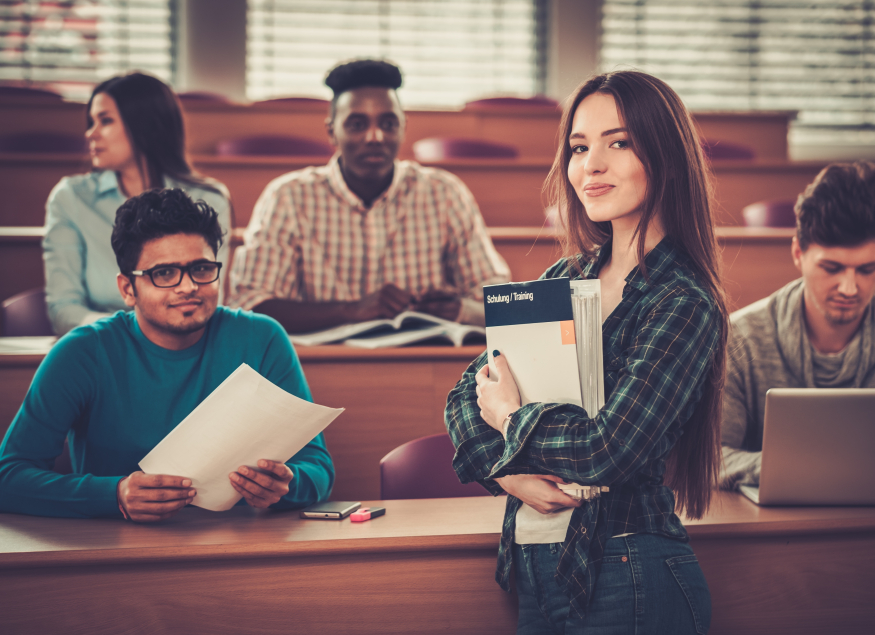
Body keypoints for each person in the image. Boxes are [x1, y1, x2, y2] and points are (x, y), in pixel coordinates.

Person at [445, 71, 728, 634]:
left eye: (618, 143)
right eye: (579, 147)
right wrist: (508, 477)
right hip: (537, 564)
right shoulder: (564, 277)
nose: (590, 165)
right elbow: (462, 400)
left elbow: (609, 450)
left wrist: (509, 419)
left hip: (633, 570)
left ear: (666, 156)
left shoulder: (685, 302)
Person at [0, 189, 332, 521]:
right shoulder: (82, 352)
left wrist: (287, 485)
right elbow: (8, 475)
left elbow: (318, 469)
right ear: (128, 289)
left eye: (201, 268)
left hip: (240, 545)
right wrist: (113, 495)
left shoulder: (262, 337)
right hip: (118, 549)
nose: (188, 287)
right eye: (165, 273)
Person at [228, 59, 510, 332]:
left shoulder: (445, 193)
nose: (374, 137)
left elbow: (499, 297)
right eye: (357, 124)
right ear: (331, 131)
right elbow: (251, 303)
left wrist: (459, 308)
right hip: (321, 369)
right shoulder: (288, 197)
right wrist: (352, 310)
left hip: (424, 365)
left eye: (388, 124)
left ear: (403, 127)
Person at [721, 162, 875, 490]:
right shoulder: (740, 339)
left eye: (867, 269)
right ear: (797, 253)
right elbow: (711, 460)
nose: (849, 288)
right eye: (832, 268)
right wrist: (805, 470)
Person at [43, 72, 233, 335]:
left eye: (105, 121)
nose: (90, 134)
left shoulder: (209, 199)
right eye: (91, 122)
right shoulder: (71, 198)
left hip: (184, 343)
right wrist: (130, 336)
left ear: (144, 126)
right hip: (103, 347)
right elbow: (64, 309)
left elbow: (209, 299)